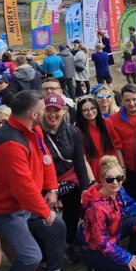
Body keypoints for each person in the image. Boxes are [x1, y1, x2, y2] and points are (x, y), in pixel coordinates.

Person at [0, 90, 83, 271]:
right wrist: (45, 212)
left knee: (57, 227)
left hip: (24, 202)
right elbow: (22, 187)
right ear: (34, 114)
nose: (46, 112)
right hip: (4, 208)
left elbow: (46, 160)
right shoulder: (10, 143)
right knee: (30, 256)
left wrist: (51, 188)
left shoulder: (34, 130)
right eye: (43, 109)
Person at [80, 155, 136, 271]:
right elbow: (103, 243)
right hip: (95, 249)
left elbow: (131, 205)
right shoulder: (97, 209)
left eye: (119, 178)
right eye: (110, 179)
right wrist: (127, 258)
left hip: (113, 232)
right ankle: (95, 266)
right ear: (102, 180)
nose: (115, 182)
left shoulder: (118, 190)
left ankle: (128, 251)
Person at [41, 93, 92, 259]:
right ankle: (47, 250)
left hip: (69, 179)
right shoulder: (37, 133)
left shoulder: (72, 132)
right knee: (46, 217)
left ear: (64, 111)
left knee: (72, 214)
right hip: (45, 183)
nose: (52, 114)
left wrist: (85, 187)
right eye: (48, 110)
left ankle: (69, 243)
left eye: (56, 110)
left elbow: (79, 160)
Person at [74, 95, 123, 182]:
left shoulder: (107, 123)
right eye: (85, 110)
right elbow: (83, 157)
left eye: (92, 108)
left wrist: (122, 167)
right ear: (80, 112)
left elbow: (116, 146)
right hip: (93, 169)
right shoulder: (78, 130)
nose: (90, 112)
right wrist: (92, 180)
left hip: (112, 165)